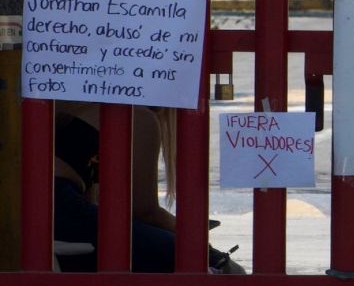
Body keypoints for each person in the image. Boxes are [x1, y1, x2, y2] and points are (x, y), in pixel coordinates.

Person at [53, 102, 242, 274]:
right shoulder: (139, 117)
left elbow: (96, 200)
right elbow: (144, 210)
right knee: (187, 254)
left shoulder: (76, 104)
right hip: (64, 210)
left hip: (49, 211)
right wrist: (191, 232)